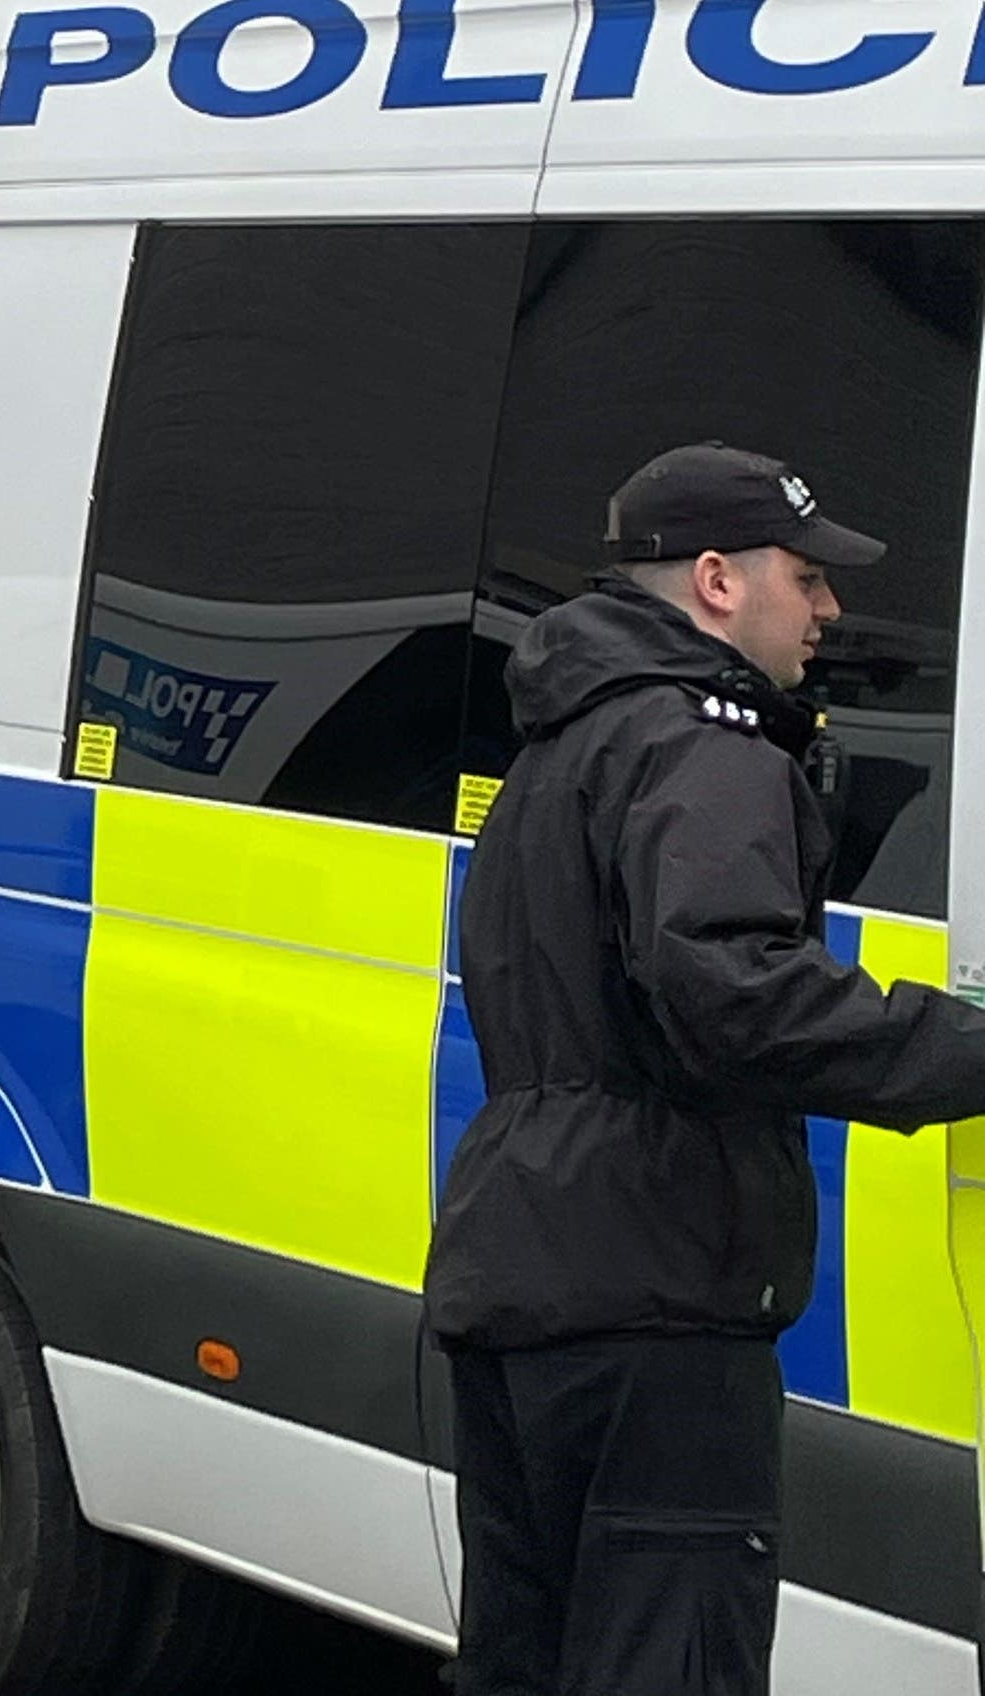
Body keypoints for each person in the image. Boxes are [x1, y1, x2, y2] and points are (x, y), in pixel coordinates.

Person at [426, 441, 985, 1696]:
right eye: (808, 576)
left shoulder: (557, 747)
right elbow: (738, 1001)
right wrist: (962, 1052)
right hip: (658, 1294)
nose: (829, 610)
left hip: (518, 1269)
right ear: (720, 583)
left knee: (525, 1668)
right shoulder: (710, 746)